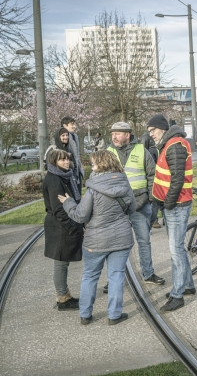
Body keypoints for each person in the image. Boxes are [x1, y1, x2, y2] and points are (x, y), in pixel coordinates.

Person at [59, 150, 136, 326]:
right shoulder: (125, 183)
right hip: (121, 238)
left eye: (93, 164)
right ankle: (114, 315)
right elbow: (132, 209)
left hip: (96, 240)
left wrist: (68, 203)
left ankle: (85, 314)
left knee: (90, 276)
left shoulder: (93, 189)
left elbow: (80, 216)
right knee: (116, 276)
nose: (91, 167)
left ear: (101, 165)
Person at [107, 121, 165, 290]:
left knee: (144, 241)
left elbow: (152, 174)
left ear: (127, 134)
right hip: (116, 206)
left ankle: (148, 274)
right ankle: (114, 278)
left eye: (117, 133)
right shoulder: (109, 153)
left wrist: (149, 198)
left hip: (140, 204)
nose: (114, 137)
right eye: (112, 134)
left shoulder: (141, 150)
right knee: (115, 243)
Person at [147, 114, 195, 312]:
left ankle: (178, 295)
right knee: (178, 249)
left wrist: (167, 204)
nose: (151, 135)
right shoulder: (170, 144)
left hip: (177, 205)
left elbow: (178, 179)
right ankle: (187, 285)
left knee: (176, 250)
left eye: (152, 131)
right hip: (175, 204)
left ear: (162, 129)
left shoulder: (174, 145)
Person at [43, 149, 84, 311]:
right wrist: (75, 229)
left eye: (67, 159)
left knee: (63, 263)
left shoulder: (65, 176)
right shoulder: (54, 179)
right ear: (54, 162)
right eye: (62, 160)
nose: (66, 162)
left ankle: (64, 295)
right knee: (60, 263)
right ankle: (62, 299)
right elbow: (59, 209)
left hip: (64, 224)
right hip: (60, 226)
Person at [140, 131, 162, 229]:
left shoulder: (147, 152)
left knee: (154, 202)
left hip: (152, 179)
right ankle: (155, 220)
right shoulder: (157, 149)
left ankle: (153, 221)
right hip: (159, 178)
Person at [61, 116, 84, 194]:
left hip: (77, 171)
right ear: (65, 125)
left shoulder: (75, 136)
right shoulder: (63, 137)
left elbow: (76, 155)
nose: (74, 126)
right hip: (70, 171)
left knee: (78, 194)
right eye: (72, 124)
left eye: (74, 124)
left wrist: (79, 168)